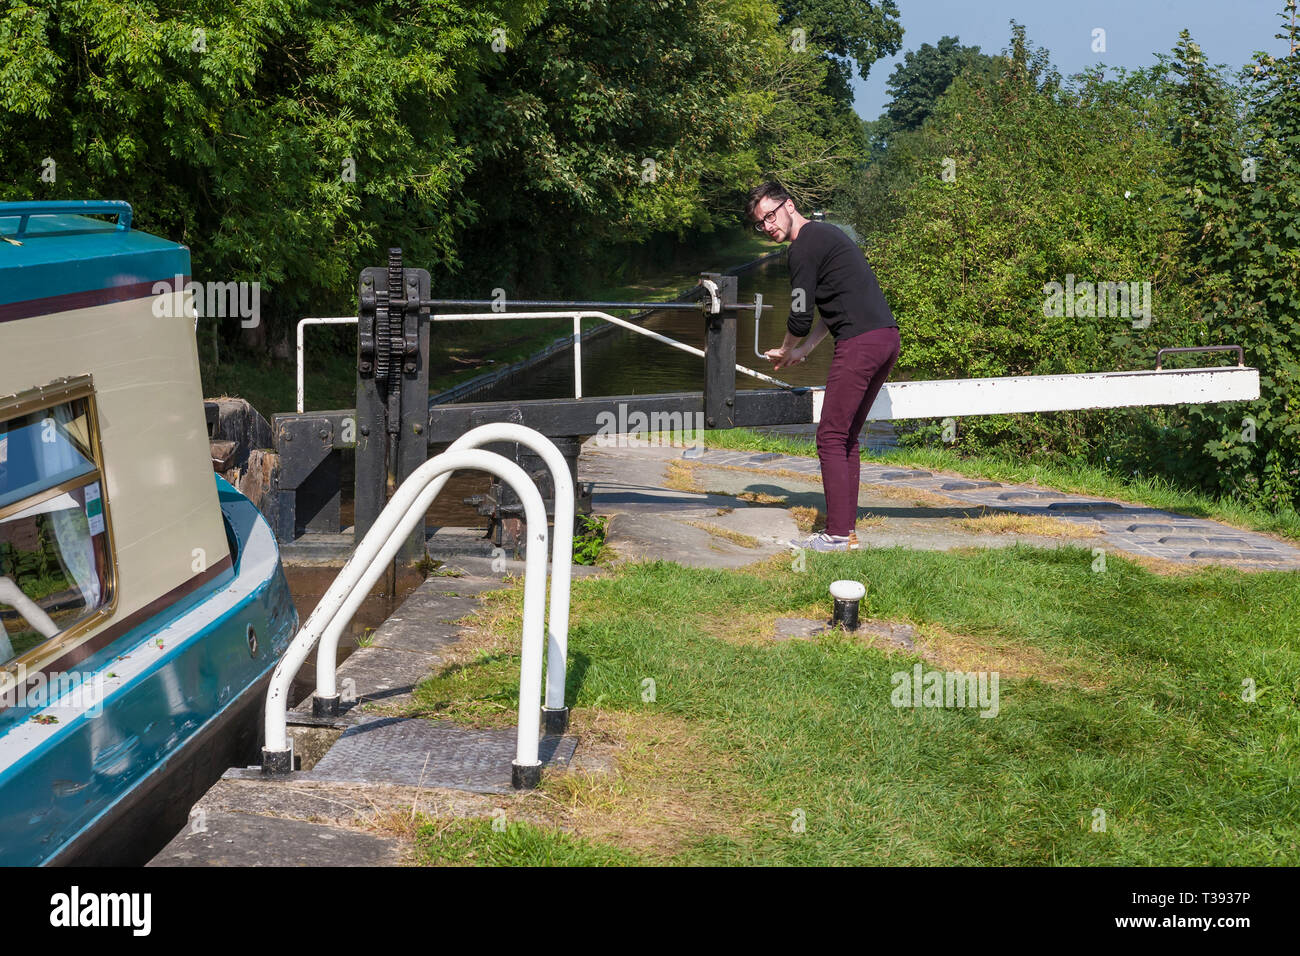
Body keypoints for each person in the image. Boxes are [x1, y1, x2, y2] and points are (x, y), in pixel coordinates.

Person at [746, 182, 901, 552]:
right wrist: (804, 352)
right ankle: (845, 533)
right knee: (845, 437)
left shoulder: (802, 249)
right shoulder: (827, 235)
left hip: (861, 344)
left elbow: (800, 315)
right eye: (760, 222)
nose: (768, 225)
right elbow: (835, 306)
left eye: (771, 215)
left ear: (789, 204)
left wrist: (786, 349)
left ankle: (834, 536)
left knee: (830, 437)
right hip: (885, 338)